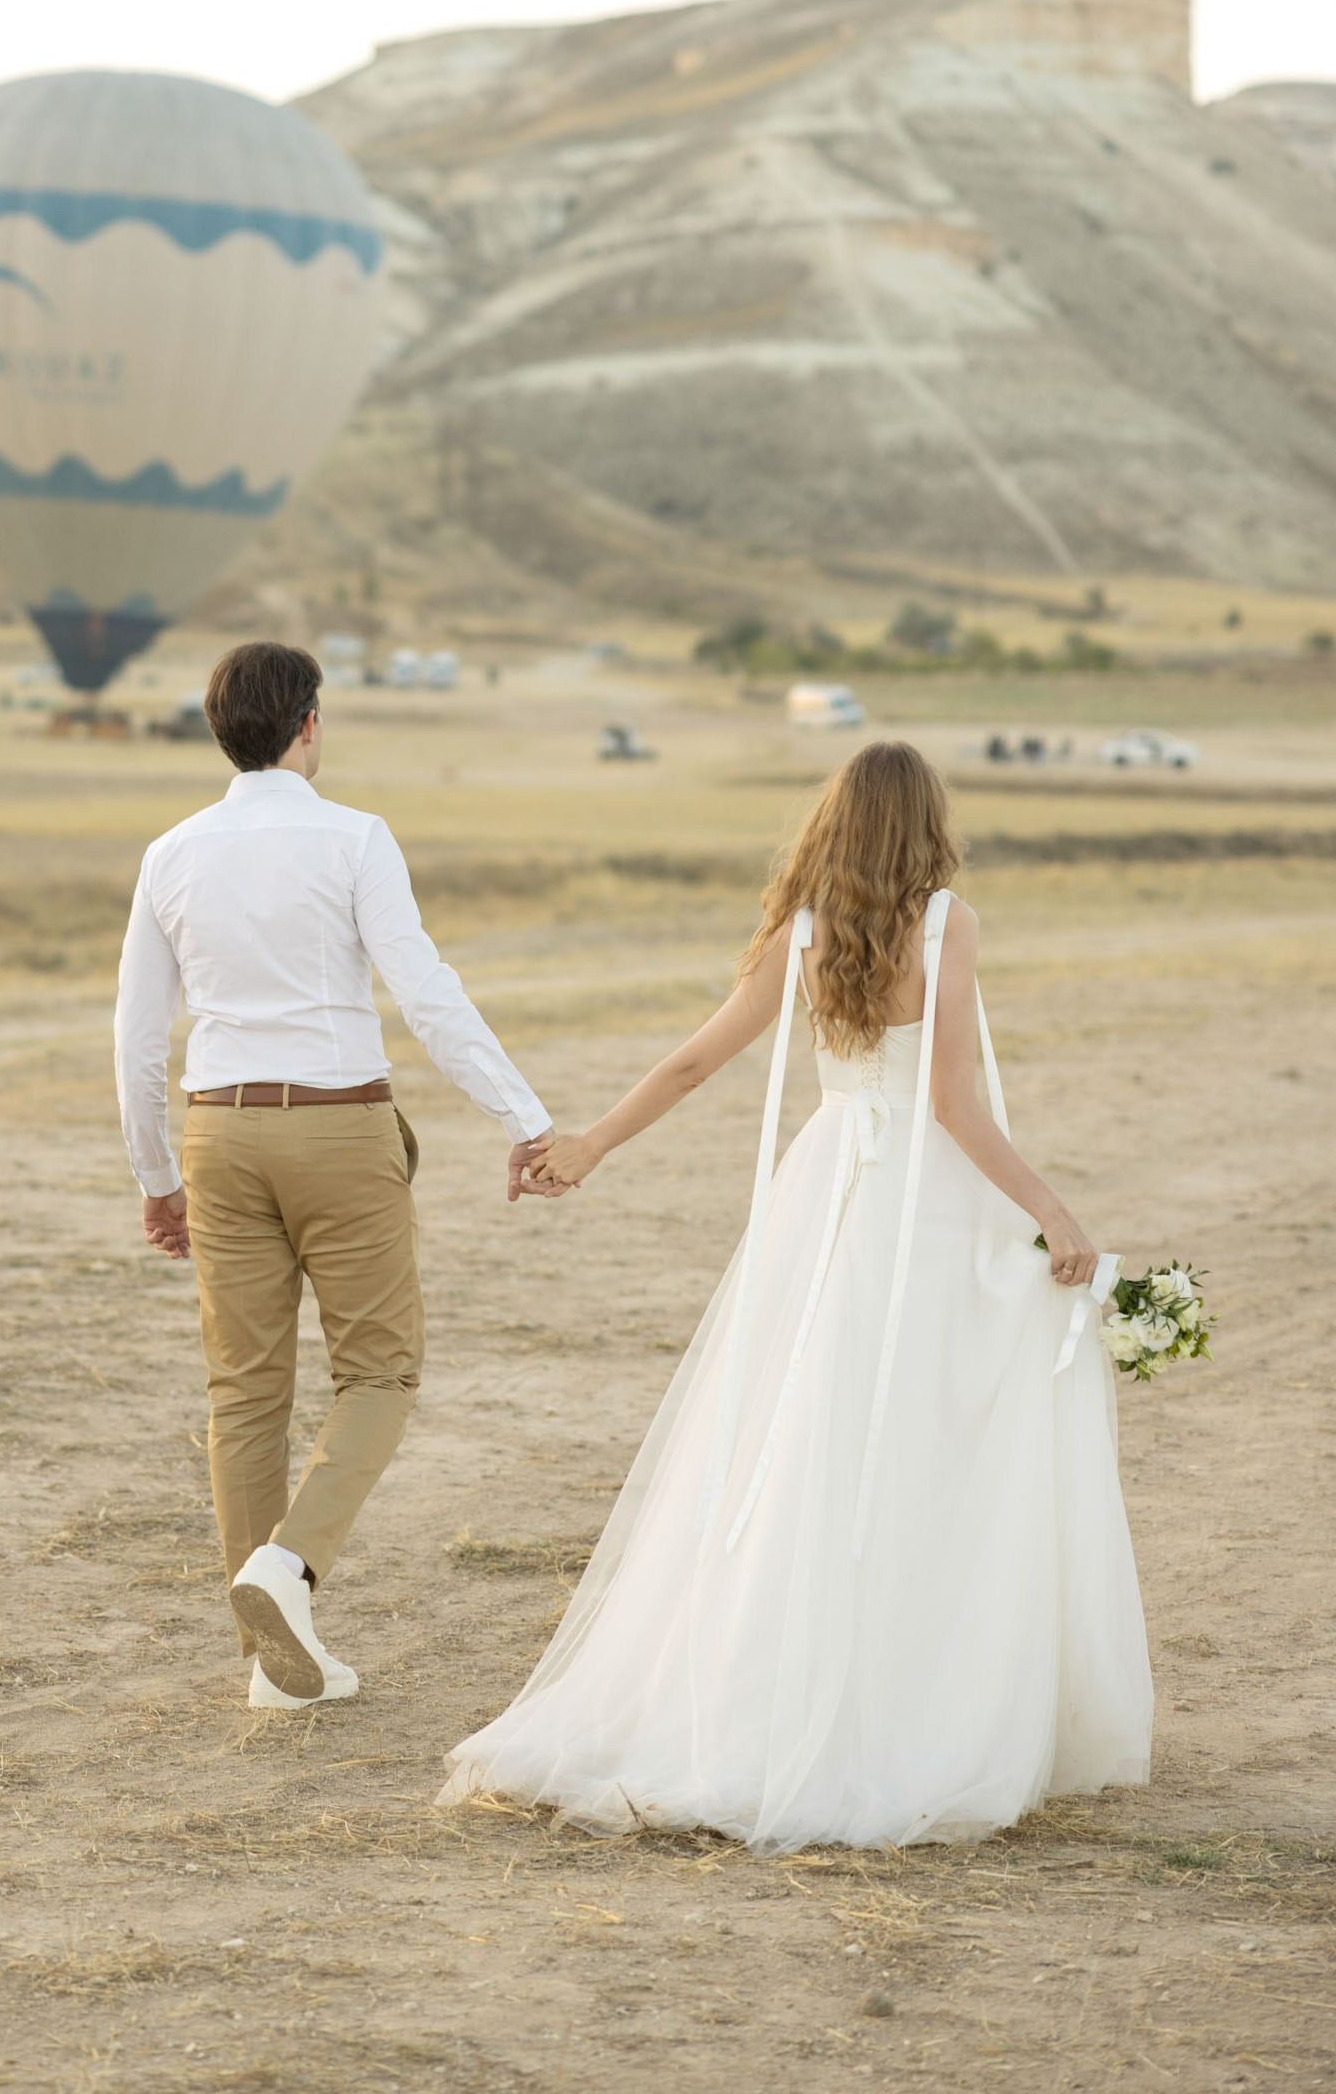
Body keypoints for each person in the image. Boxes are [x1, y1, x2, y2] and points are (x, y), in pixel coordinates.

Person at [439, 739, 1153, 1850]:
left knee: (806, 1425)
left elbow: (693, 1060)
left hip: (825, 1197)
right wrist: (1051, 1210)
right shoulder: (946, 925)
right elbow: (953, 1106)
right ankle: (912, 1688)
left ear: (833, 825)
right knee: (926, 1429)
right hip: (921, 1199)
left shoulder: (804, 933)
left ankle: (773, 1682)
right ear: (926, 825)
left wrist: (590, 1145)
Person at [116, 639, 555, 1710]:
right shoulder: (355, 838)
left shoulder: (170, 853)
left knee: (243, 1394)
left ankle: (269, 1668)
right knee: (380, 1376)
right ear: (309, 724)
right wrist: (523, 1117)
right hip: (340, 1129)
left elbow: (135, 1035)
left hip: (219, 1133)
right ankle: (287, 1565)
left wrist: (157, 1176)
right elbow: (426, 993)